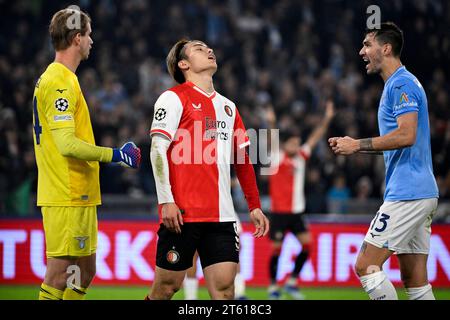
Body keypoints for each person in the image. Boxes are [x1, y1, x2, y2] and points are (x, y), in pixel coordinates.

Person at [147, 39, 269, 300]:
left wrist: (254, 205)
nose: (210, 50)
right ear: (184, 64)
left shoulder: (228, 107)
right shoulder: (172, 98)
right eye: (199, 49)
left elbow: (243, 160)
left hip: (222, 217)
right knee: (166, 288)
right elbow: (157, 150)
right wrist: (166, 200)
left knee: (225, 291)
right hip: (182, 214)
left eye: (209, 47)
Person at [32, 8, 141, 300]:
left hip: (79, 193)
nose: (92, 41)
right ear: (77, 38)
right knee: (59, 273)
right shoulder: (59, 81)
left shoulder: (64, 79)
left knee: (84, 271)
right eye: (89, 35)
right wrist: (115, 154)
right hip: (67, 192)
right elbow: (67, 144)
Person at [329, 22, 438, 300]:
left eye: (368, 44)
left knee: (366, 265)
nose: (361, 51)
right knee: (414, 281)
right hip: (421, 192)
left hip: (407, 193)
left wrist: (356, 145)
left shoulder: (400, 84)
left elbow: (406, 135)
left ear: (386, 48)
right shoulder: (402, 82)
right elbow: (399, 140)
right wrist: (358, 147)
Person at [267, 101, 335, 299]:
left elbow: (314, 138)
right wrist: (271, 122)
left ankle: (292, 282)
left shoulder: (301, 157)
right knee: (276, 251)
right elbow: (272, 139)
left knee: (308, 245)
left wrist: (327, 118)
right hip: (279, 213)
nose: (296, 146)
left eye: (298, 143)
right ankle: (272, 287)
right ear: (285, 144)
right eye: (293, 143)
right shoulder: (277, 158)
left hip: (297, 213)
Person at [183, 215, 248, 300]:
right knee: (193, 255)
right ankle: (190, 297)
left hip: (216, 212)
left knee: (233, 250)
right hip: (211, 213)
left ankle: (239, 293)